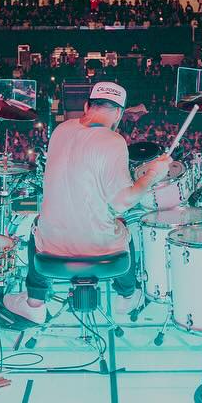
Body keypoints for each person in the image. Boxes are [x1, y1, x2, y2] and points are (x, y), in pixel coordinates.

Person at [25, 82, 172, 307]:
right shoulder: (113, 141)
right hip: (99, 249)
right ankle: (128, 296)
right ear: (119, 114)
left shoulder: (61, 130)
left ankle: (34, 302)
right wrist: (153, 174)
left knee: (38, 224)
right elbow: (123, 202)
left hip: (50, 248)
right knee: (122, 225)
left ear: (86, 106)